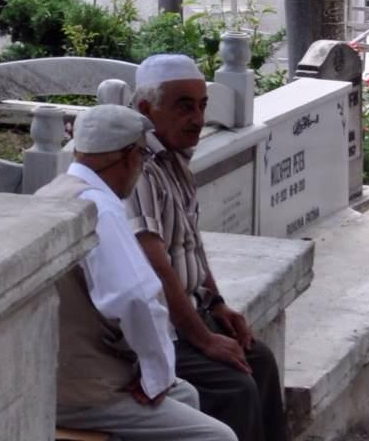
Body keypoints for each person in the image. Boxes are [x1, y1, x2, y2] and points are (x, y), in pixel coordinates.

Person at [36, 104, 236, 440]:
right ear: (128, 156)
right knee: (217, 437)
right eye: (143, 156)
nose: (142, 167)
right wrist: (155, 377)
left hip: (55, 373)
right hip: (85, 391)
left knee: (186, 394)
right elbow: (134, 298)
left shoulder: (52, 192)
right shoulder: (101, 211)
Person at [130, 53, 289, 441]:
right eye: (184, 106)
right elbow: (154, 264)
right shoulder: (139, 169)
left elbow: (190, 244)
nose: (198, 119)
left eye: (202, 105)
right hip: (159, 329)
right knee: (234, 386)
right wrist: (202, 338)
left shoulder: (176, 161)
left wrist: (217, 304)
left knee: (261, 361)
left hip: (193, 313)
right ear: (146, 109)